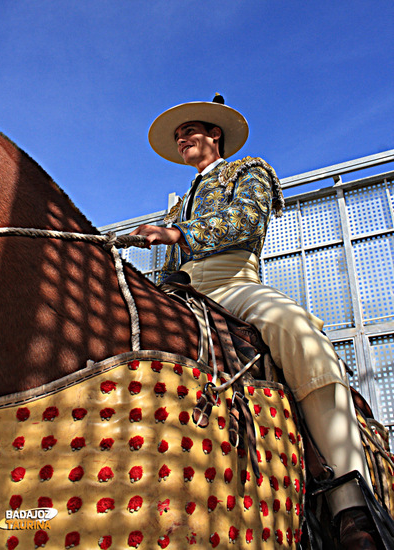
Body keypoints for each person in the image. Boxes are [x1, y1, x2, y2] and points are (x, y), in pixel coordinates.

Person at [131, 94, 378, 549]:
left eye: (191, 131)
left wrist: (179, 232)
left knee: (295, 330)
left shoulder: (248, 170)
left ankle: (351, 501)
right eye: (179, 135)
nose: (183, 138)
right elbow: (168, 264)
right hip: (182, 292)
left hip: (232, 282)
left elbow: (246, 219)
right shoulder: (178, 203)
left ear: (215, 135)